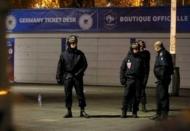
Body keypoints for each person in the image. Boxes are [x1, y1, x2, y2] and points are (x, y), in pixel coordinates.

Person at [56, 35, 89, 118]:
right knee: (68, 95)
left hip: (77, 77)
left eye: (75, 42)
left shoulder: (80, 54)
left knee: (80, 94)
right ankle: (69, 111)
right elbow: (60, 66)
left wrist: (79, 73)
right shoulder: (63, 55)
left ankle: (82, 111)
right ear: (68, 43)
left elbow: (85, 65)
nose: (74, 44)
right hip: (67, 77)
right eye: (72, 43)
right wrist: (58, 77)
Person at [120, 42, 144, 118]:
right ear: (131, 49)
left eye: (137, 48)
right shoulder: (127, 59)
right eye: (134, 49)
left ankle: (134, 112)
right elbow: (122, 69)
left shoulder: (141, 59)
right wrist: (122, 79)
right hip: (129, 80)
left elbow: (144, 71)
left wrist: (143, 81)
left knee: (137, 97)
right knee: (126, 96)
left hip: (138, 81)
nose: (135, 50)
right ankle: (124, 112)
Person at [151, 41, 174, 120]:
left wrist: (161, 77)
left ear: (157, 47)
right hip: (161, 79)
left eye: (154, 47)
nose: (154, 49)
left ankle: (164, 115)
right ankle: (159, 113)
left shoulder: (162, 54)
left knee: (163, 97)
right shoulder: (162, 53)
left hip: (163, 79)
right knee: (159, 96)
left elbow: (164, 67)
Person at [138, 40, 150, 112]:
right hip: (137, 73)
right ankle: (133, 106)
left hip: (144, 74)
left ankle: (143, 106)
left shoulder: (146, 53)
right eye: (140, 44)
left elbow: (143, 58)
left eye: (142, 44)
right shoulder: (136, 53)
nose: (141, 45)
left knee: (142, 89)